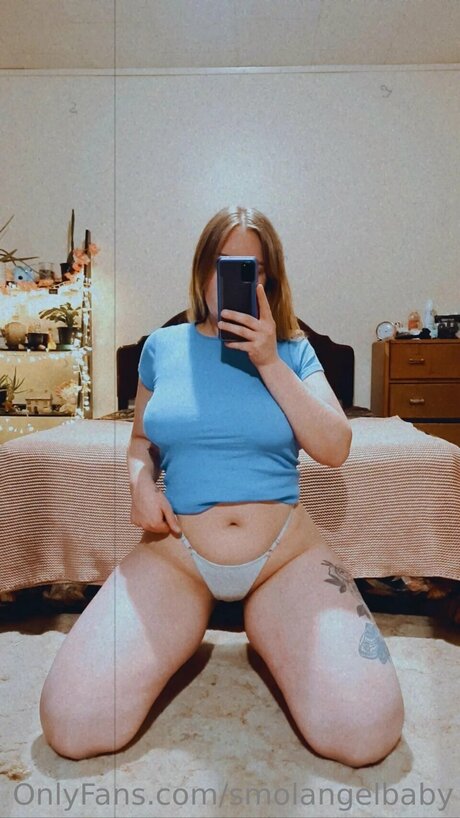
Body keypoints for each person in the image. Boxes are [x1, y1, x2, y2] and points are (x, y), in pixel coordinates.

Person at [40, 206, 404, 765]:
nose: (230, 279)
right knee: (72, 724)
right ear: (201, 269)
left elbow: (335, 447)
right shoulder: (162, 348)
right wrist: (140, 483)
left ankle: (270, 628)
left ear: (267, 280)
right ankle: (180, 637)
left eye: (249, 268)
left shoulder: (294, 350)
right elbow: (140, 442)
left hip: (285, 559)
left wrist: (268, 359)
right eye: (221, 263)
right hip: (176, 557)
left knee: (366, 732)